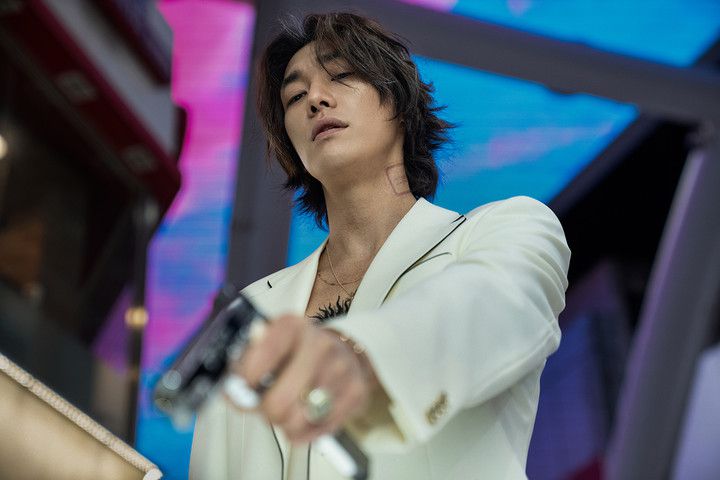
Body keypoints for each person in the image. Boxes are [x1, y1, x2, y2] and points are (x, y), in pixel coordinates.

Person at [190, 11, 570, 480]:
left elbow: (488, 306)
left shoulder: (508, 230)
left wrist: (362, 357)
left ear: (400, 102)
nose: (316, 99)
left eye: (341, 75)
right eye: (295, 96)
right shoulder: (251, 311)